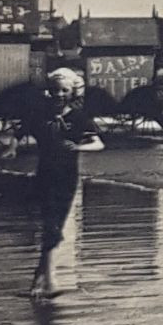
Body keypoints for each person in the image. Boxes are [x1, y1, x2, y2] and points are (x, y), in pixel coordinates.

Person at [27, 68, 104, 299]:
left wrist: (79, 146)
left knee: (55, 226)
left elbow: (98, 143)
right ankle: (50, 280)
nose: (59, 94)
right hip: (44, 175)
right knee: (50, 225)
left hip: (67, 177)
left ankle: (39, 277)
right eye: (55, 90)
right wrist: (11, 148)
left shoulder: (78, 118)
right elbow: (22, 130)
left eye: (64, 90)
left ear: (72, 92)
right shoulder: (41, 115)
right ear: (49, 91)